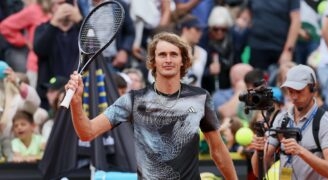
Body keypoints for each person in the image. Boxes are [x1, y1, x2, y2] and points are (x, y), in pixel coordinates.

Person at [65, 32, 238, 179]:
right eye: (162, 55)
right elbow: (87, 132)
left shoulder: (200, 98)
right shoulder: (133, 100)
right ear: (153, 61)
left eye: (174, 54)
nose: (168, 60)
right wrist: (76, 103)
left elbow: (218, 151)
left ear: (183, 61)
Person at [250, 64, 328, 179]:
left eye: (299, 91)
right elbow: (259, 173)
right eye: (290, 91)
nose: (294, 97)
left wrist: (301, 151)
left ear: (313, 88)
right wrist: (258, 151)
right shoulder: (281, 118)